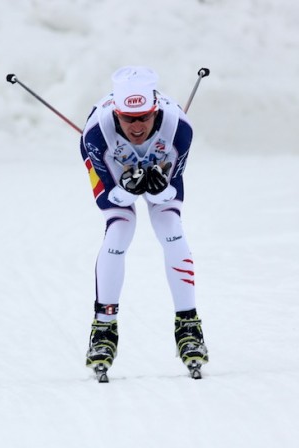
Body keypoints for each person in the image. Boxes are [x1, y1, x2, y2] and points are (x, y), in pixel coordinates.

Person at [79, 66, 208, 377]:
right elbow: (114, 199)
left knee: (171, 228)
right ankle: (103, 329)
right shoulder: (96, 133)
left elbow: (170, 190)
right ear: (117, 114)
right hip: (112, 165)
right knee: (120, 228)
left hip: (160, 164)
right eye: (128, 119)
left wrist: (159, 184)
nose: (137, 127)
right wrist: (125, 187)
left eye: (144, 118)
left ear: (155, 110)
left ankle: (188, 324)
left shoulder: (180, 129)